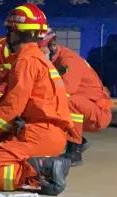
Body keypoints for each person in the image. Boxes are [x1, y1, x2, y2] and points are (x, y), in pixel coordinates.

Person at [0, 4, 73, 195]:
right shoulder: (34, 58)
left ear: (16, 33)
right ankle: (41, 167)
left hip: (40, 133)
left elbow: (11, 109)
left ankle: (42, 171)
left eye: (9, 31)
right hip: (47, 132)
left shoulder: (25, 62)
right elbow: (4, 103)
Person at [47, 33, 113, 165]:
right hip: (86, 107)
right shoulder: (53, 60)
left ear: (52, 47)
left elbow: (65, 90)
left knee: (66, 101)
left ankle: (74, 150)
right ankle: (76, 140)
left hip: (97, 111)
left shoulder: (68, 60)